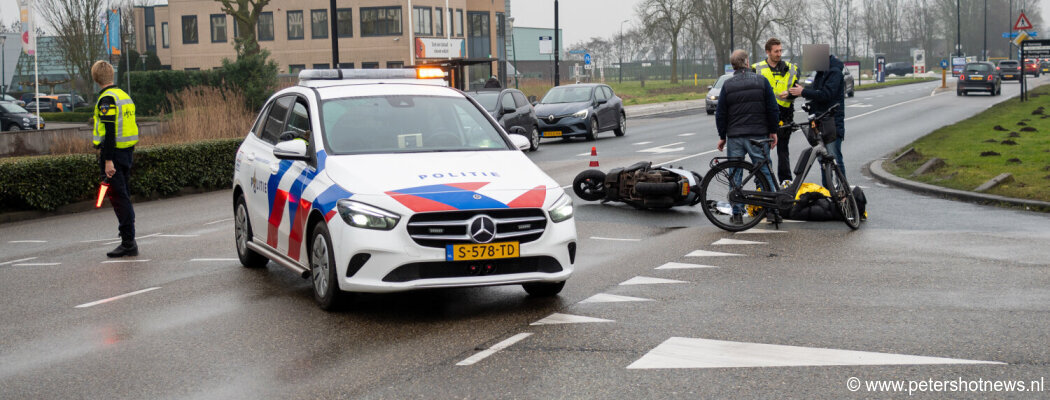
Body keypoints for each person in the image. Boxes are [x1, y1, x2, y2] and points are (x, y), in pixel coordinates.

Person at [715, 50, 779, 225]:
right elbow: (773, 109)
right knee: (764, 172)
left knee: (735, 174)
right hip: (758, 135)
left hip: (735, 136)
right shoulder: (761, 81)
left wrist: (722, 136)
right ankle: (771, 211)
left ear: (734, 65)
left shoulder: (728, 86)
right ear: (747, 62)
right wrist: (773, 131)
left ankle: (737, 213)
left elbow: (720, 113)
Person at [91, 60, 139, 258]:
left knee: (119, 198)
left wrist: (108, 160)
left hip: (114, 155)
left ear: (95, 78)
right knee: (123, 196)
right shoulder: (123, 95)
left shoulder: (107, 100)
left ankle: (128, 242)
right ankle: (128, 238)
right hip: (126, 152)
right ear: (112, 75)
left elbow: (109, 132)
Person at [789, 51, 846, 186]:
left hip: (831, 123)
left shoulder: (834, 72)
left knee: (834, 158)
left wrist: (803, 92)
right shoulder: (821, 72)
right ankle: (828, 191)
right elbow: (816, 93)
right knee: (823, 161)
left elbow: (827, 94)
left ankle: (843, 191)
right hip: (820, 121)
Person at [751, 38, 800, 186]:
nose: (779, 54)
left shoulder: (791, 69)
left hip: (784, 115)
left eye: (780, 51)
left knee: (783, 151)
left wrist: (790, 94)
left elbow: (797, 89)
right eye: (776, 51)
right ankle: (762, 183)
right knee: (762, 152)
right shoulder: (756, 69)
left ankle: (785, 181)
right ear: (768, 52)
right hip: (764, 116)